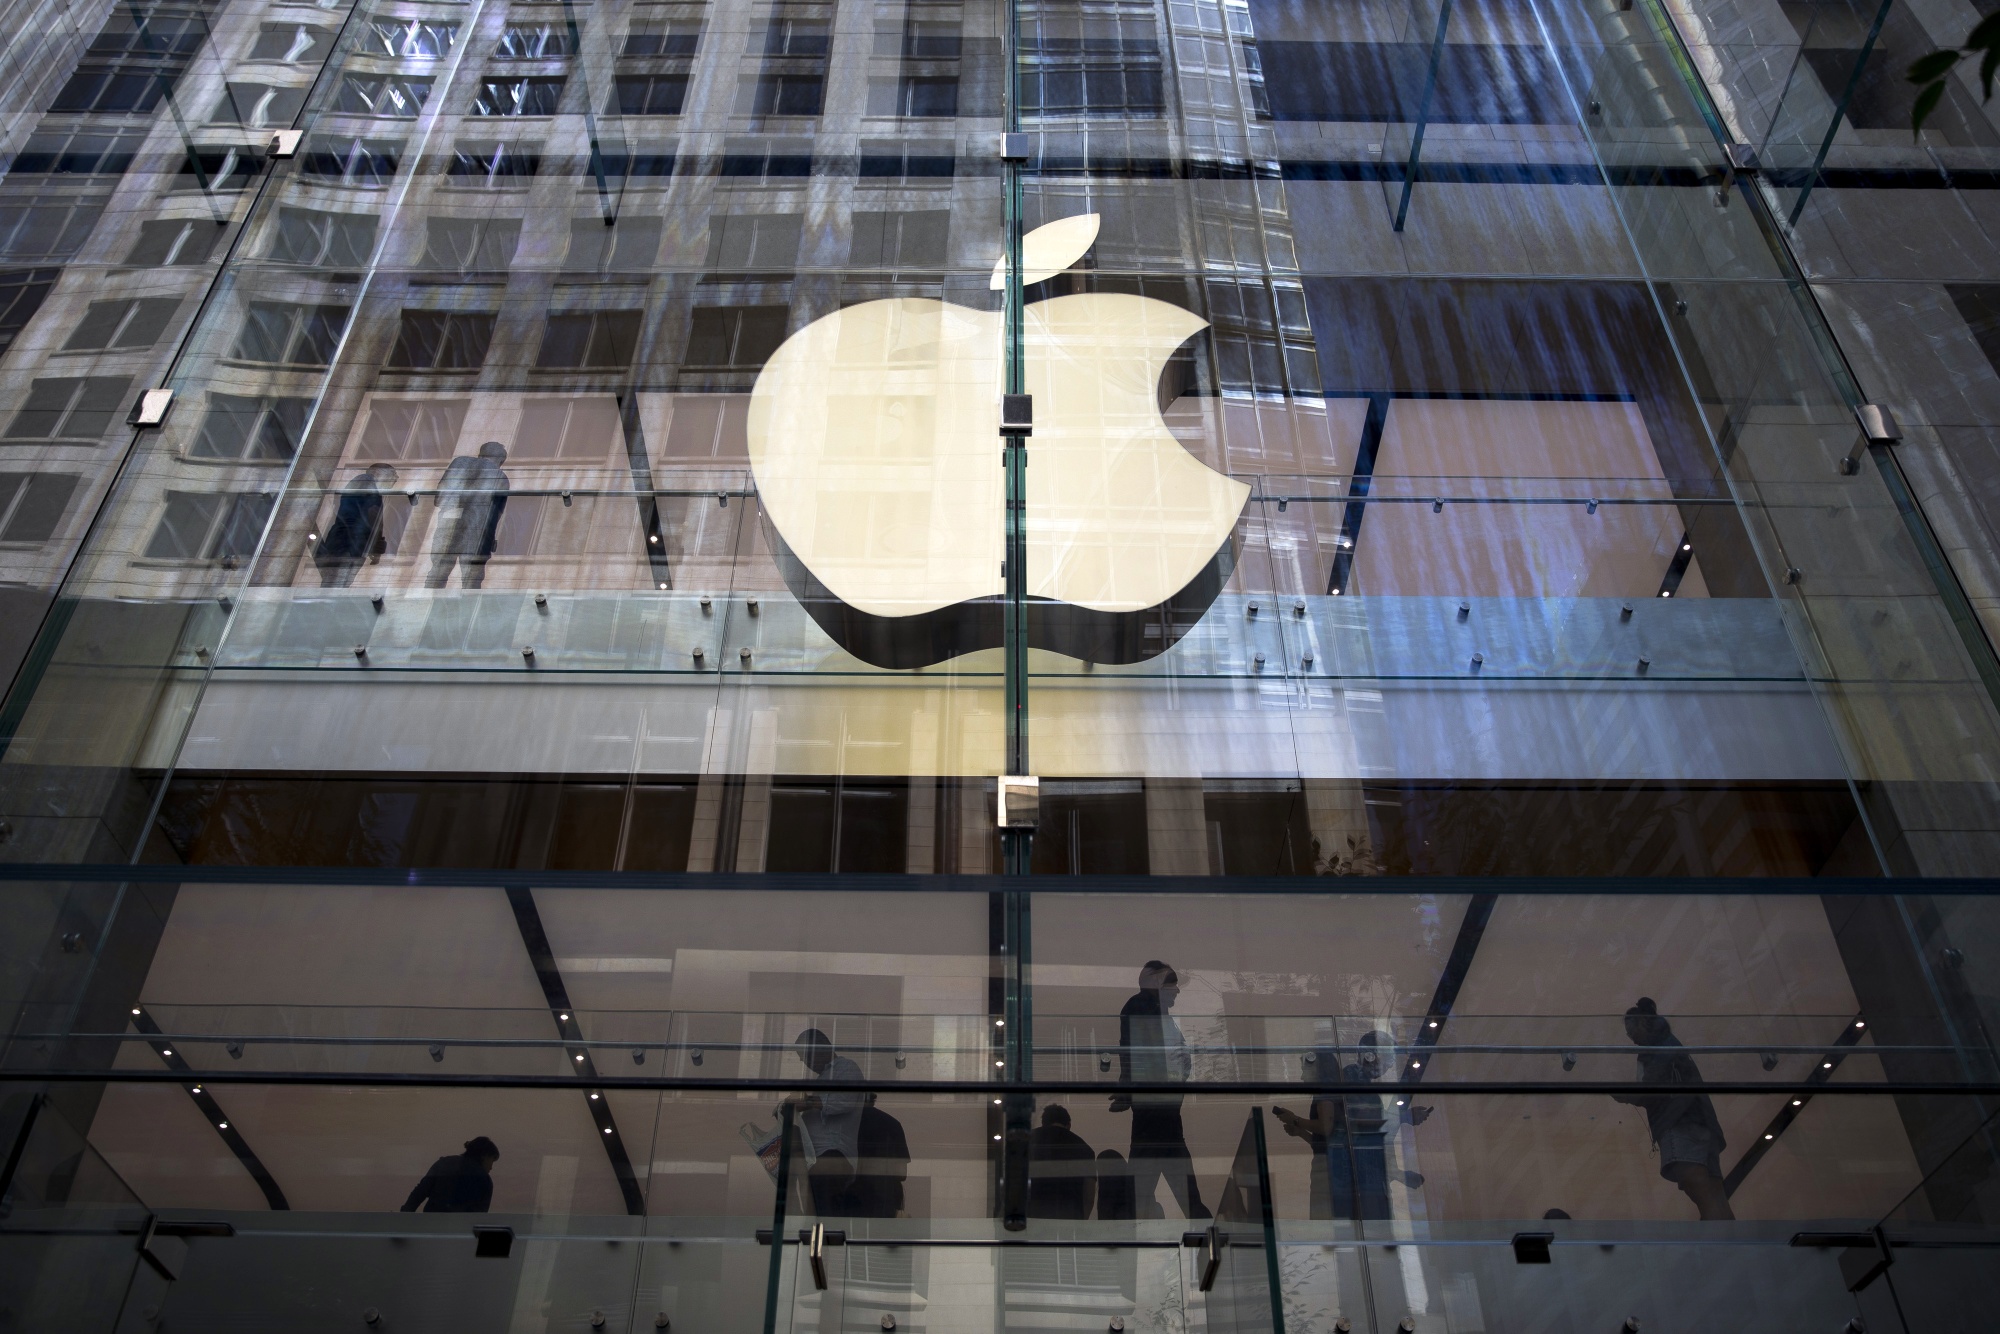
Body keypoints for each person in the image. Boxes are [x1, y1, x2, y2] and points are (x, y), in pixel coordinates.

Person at [1612, 997, 1734, 1221]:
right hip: (1701, 1120)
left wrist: (1624, 1094)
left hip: (1680, 1122)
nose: (1631, 1037)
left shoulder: (1656, 1047)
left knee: (1699, 1189)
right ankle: (1730, 1241)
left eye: (1631, 1030)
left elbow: (1651, 1089)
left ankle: (1720, 1245)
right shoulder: (1670, 1042)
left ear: (1641, 1023)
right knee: (1713, 1193)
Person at [1109, 961, 1210, 1219]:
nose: (1177, 991)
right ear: (1156, 984)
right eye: (1172, 984)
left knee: (1143, 1200)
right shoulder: (1143, 1009)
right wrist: (1129, 1088)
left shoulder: (1156, 1012)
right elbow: (1140, 1057)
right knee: (1180, 1199)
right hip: (1158, 1115)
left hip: (1160, 1115)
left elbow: (1143, 1057)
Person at [781, 1028, 866, 1215]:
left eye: (805, 1055)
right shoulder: (822, 1079)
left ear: (821, 1048)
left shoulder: (846, 1068)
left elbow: (845, 1100)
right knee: (814, 1212)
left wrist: (808, 1102)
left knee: (825, 1213)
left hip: (833, 1154)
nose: (805, 1062)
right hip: (815, 1158)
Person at [425, 441, 510, 588]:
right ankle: (468, 608)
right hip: (479, 531)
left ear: (480, 454)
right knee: (472, 578)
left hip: (449, 523)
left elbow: (440, 497)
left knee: (438, 570)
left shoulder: (459, 463)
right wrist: (491, 540)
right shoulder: (501, 477)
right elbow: (496, 515)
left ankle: (426, 604)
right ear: (501, 461)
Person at [314, 464, 397, 587]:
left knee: (339, 583)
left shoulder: (367, 485)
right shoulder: (365, 480)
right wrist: (377, 541)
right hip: (347, 543)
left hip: (351, 544)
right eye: (392, 475)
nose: (395, 479)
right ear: (378, 473)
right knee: (335, 584)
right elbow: (372, 513)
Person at [843, 1094, 911, 1218]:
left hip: (851, 1198)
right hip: (884, 1200)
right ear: (873, 1100)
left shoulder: (845, 1123)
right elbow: (902, 1172)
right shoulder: (892, 1124)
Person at [1026, 1103, 1096, 1220]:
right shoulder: (1084, 1148)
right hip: (1069, 1218)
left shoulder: (1027, 1141)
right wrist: (1082, 1221)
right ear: (1068, 1125)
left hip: (1033, 1217)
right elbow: (1089, 1196)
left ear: (1044, 1123)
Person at [401, 1137, 498, 1213]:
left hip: (432, 1225)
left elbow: (420, 1191)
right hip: (462, 1231)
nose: (491, 1167)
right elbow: (479, 1214)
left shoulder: (444, 1164)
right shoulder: (484, 1180)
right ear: (485, 1156)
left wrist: (404, 1216)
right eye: (492, 1161)